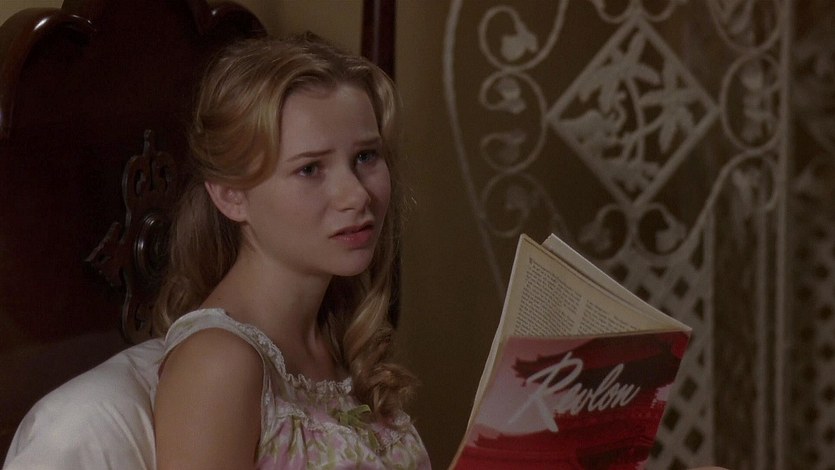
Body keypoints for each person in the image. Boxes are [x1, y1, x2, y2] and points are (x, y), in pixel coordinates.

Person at [151, 32, 430, 469]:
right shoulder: (217, 366)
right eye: (310, 168)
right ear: (230, 195)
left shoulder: (338, 332)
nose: (356, 195)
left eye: (365, 157)